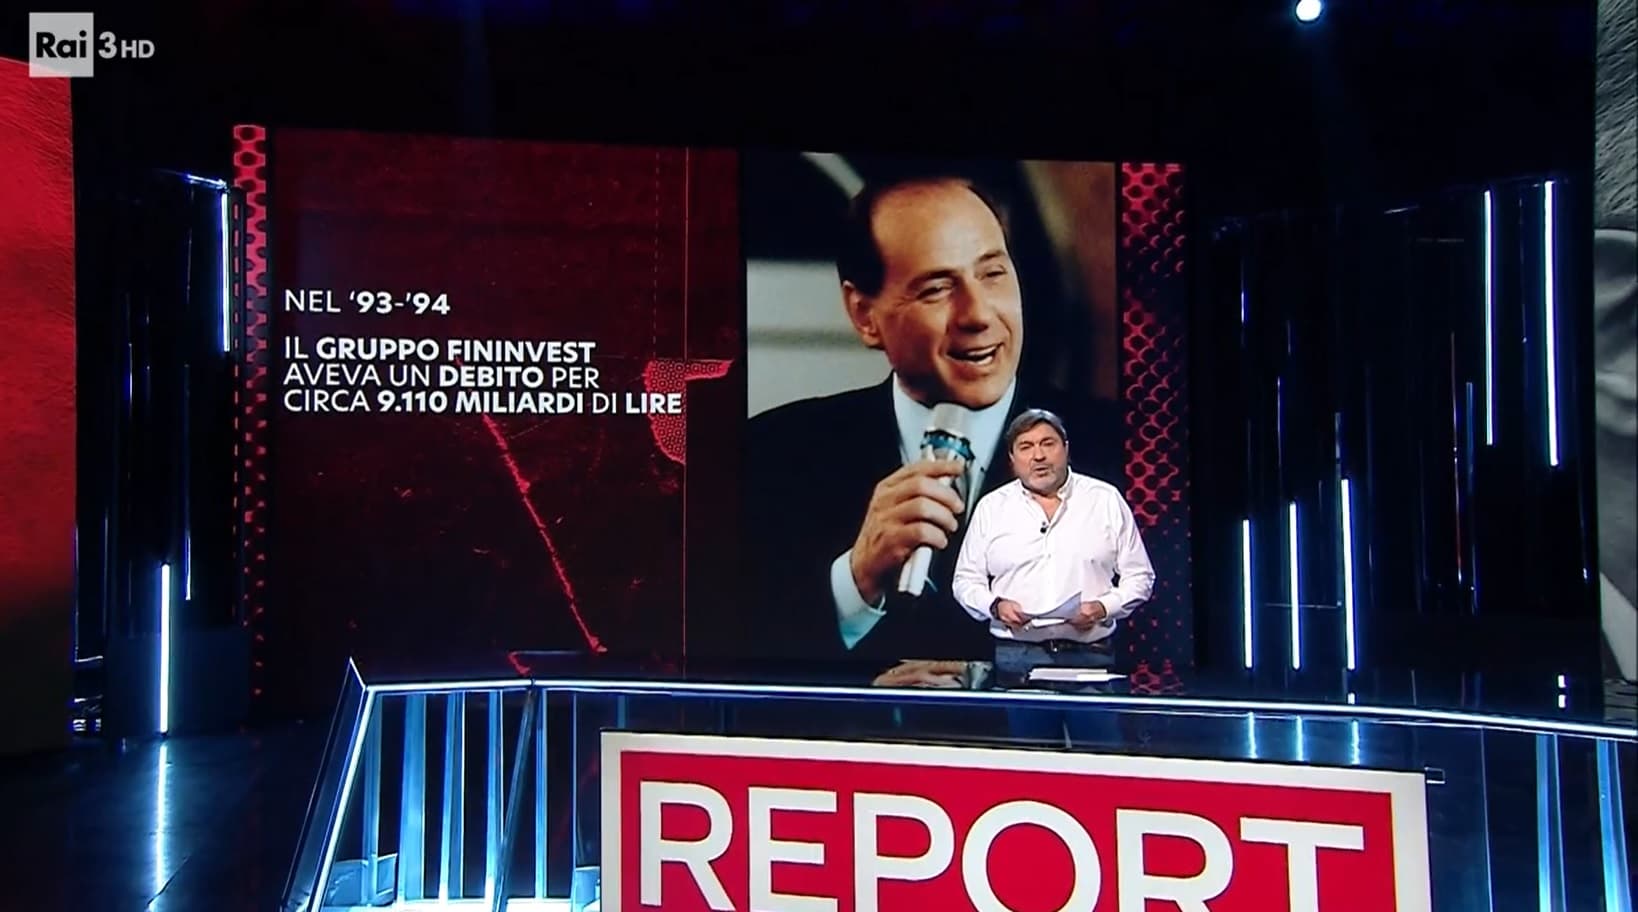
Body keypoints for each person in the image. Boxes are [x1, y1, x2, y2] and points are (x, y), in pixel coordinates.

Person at [746, 175, 1122, 665]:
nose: (978, 315)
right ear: (864, 315)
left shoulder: (1129, 453)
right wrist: (855, 583)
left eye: (992, 274)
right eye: (937, 289)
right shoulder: (770, 456)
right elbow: (732, 659)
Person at [953, 409, 1155, 680]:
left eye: (1048, 444)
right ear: (1012, 458)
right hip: (1016, 656)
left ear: (1066, 448)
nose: (1038, 456)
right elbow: (965, 581)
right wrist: (995, 606)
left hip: (1091, 655)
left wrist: (1103, 607)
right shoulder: (991, 507)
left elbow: (1140, 576)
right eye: (1026, 447)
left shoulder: (1104, 499)